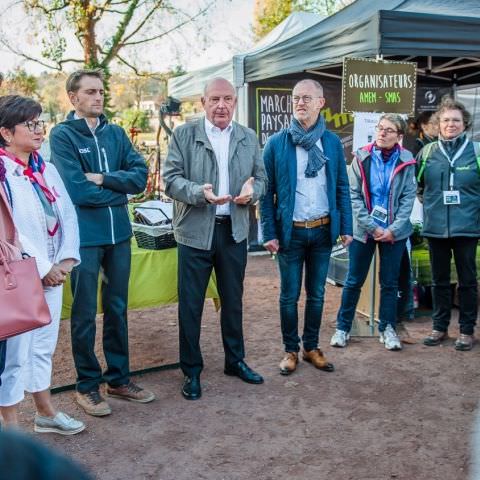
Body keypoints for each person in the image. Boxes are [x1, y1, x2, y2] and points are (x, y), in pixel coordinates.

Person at [49, 69, 154, 416]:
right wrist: (117, 192)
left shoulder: (117, 134)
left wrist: (105, 179)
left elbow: (140, 178)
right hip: (84, 239)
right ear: (73, 97)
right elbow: (75, 189)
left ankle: (119, 379)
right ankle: (87, 386)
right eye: (91, 92)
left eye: (101, 92)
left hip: (120, 236)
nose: (98, 97)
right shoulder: (62, 135)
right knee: (83, 314)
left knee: (118, 309)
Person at [163, 77, 267, 400]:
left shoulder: (248, 137)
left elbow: (262, 178)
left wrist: (252, 193)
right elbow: (170, 180)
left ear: (235, 103)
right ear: (203, 102)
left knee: (233, 302)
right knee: (191, 306)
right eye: (215, 99)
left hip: (234, 231)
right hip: (195, 232)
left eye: (228, 99)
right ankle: (191, 371)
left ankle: (235, 361)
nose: (222, 105)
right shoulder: (184, 134)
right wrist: (199, 193)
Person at [0, 95, 84, 434]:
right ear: (6, 132)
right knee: (14, 353)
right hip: (20, 275)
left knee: (44, 345)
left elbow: (67, 214)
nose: (38, 130)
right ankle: (11, 428)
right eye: (30, 124)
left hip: (54, 271)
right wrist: (43, 267)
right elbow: (11, 228)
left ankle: (45, 411)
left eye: (40, 123)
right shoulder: (3, 172)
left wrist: (64, 260)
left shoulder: (44, 168)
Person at [260, 79, 353, 376]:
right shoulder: (277, 143)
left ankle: (311, 347)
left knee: (317, 294)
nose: (300, 103)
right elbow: (266, 192)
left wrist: (346, 226)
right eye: (296, 98)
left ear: (320, 103)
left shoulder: (333, 143)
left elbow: (341, 185)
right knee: (289, 296)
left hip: (323, 230)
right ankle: (290, 350)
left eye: (307, 98)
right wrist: (269, 232)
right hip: (292, 233)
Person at [330, 114, 416, 351]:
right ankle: (343, 327)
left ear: (399, 136)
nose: (382, 133)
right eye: (380, 128)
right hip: (364, 231)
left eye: (389, 130)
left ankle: (387, 329)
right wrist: (373, 226)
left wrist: (393, 229)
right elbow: (352, 195)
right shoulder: (361, 157)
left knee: (389, 283)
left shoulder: (407, 160)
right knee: (353, 280)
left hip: (394, 233)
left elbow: (408, 198)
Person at [418, 98, 480, 351]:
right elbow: (420, 188)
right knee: (439, 280)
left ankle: (466, 330)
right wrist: (435, 207)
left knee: (467, 280)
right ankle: (439, 327)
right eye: (446, 120)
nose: (450, 124)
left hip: (467, 227)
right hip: (436, 228)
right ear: (438, 125)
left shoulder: (476, 151)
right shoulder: (427, 153)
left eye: (455, 120)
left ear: (464, 123)